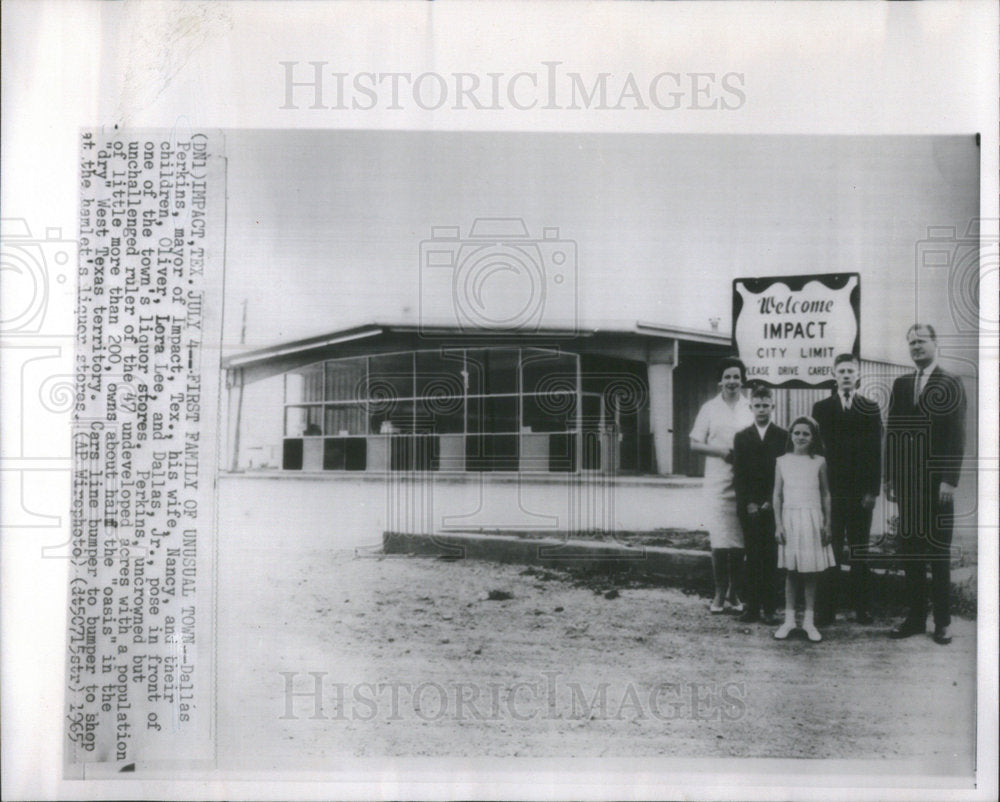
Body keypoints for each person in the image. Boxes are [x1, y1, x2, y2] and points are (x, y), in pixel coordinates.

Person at [885, 324, 967, 645]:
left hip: (937, 487)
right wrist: (890, 477)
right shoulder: (902, 384)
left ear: (936, 343)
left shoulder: (951, 382)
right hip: (908, 485)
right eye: (911, 343)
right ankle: (915, 618)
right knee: (911, 554)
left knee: (938, 554)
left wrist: (949, 480)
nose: (916, 347)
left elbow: (957, 436)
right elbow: (892, 433)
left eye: (921, 341)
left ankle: (943, 623)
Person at [811, 353, 883, 625]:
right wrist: (819, 490)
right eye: (841, 371)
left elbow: (876, 452)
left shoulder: (870, 407)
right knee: (831, 549)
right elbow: (817, 452)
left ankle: (862, 608)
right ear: (834, 374)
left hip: (860, 493)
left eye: (850, 371)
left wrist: (871, 491)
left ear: (858, 375)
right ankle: (827, 609)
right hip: (831, 491)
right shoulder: (821, 408)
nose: (845, 375)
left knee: (859, 550)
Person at [689, 357, 754, 614]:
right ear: (720, 381)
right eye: (727, 377)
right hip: (717, 481)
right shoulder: (709, 408)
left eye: (736, 377)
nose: (732, 382)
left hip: (744, 481)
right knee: (719, 539)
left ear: (743, 380)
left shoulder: (750, 407)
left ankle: (734, 594)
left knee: (739, 542)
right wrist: (723, 453)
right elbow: (694, 443)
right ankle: (718, 593)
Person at [773, 416, 835, 643]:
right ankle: (789, 620)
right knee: (791, 571)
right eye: (797, 432)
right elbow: (777, 495)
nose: (800, 437)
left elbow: (826, 494)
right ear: (790, 435)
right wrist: (778, 524)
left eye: (806, 434)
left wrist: (827, 523)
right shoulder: (782, 461)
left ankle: (808, 621)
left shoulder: (819, 461)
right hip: (790, 518)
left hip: (812, 518)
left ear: (813, 438)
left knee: (810, 572)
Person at [732, 385, 787, 624]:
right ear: (751, 407)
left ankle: (771, 608)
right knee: (752, 555)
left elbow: (783, 472)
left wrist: (771, 501)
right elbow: (740, 474)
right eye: (758, 405)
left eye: (766, 405)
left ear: (772, 407)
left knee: (771, 556)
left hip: (773, 504)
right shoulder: (742, 437)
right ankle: (751, 606)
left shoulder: (783, 436)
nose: (762, 409)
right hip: (750, 507)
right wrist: (750, 503)